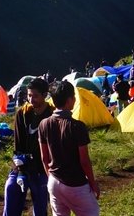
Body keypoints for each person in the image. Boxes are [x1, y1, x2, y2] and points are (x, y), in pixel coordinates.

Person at [38, 81, 100, 216]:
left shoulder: (43, 124)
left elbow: (44, 157)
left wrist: (51, 177)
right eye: (74, 97)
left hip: (54, 181)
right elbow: (84, 161)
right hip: (75, 183)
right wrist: (93, 183)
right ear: (69, 100)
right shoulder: (77, 126)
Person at [3, 77, 53, 216]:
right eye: (29, 95)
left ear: (45, 95)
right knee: (11, 188)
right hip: (22, 164)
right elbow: (18, 144)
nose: (31, 99)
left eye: (35, 96)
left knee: (41, 200)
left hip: (43, 168)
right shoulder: (23, 113)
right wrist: (20, 170)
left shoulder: (51, 115)